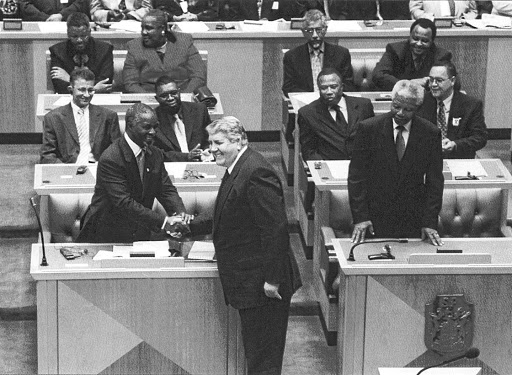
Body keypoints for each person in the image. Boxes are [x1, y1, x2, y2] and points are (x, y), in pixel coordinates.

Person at [208, 116, 302, 375]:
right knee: (257, 355)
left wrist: (272, 281)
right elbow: (228, 213)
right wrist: (189, 224)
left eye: (218, 142)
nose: (212, 148)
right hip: (251, 280)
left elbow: (275, 230)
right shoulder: (238, 167)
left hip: (265, 285)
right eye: (211, 143)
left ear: (237, 141)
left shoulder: (256, 171)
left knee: (264, 361)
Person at [77, 103, 194, 243]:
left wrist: (180, 213)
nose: (153, 132)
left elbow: (166, 189)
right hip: (105, 233)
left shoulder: (154, 153)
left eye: (155, 127)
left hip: (139, 231)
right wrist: (164, 221)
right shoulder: (111, 158)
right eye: (146, 127)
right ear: (130, 125)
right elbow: (124, 203)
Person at [348, 80, 444, 246]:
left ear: (417, 108)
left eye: (408, 109)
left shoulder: (430, 133)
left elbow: (434, 181)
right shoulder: (368, 129)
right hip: (374, 216)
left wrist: (429, 221)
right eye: (396, 106)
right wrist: (361, 217)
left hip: (412, 217)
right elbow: (356, 176)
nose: (400, 113)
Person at [40, 68, 121, 164]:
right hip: (67, 171)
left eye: (90, 90)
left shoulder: (109, 116)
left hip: (100, 170)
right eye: (82, 90)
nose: (86, 95)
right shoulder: (53, 118)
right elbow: (47, 155)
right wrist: (65, 171)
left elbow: (117, 152)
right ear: (70, 90)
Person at [298, 68, 375, 161]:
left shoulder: (364, 105)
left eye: (333, 87)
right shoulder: (308, 113)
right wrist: (325, 170)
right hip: (330, 168)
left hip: (362, 166)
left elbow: (373, 140)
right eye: (324, 88)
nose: (329, 92)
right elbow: (309, 151)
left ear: (342, 87)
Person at [123, 9, 206, 93]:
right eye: (142, 28)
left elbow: (198, 76)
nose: (143, 32)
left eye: (149, 28)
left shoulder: (184, 41)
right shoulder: (134, 46)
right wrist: (150, 99)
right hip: (149, 98)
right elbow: (130, 83)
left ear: (162, 28)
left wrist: (184, 97)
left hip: (181, 96)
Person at [416, 62, 487, 159]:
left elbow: (480, 137)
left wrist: (455, 144)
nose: (433, 84)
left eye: (439, 80)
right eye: (431, 80)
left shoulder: (471, 105)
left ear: (452, 81)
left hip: (458, 160)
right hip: (426, 159)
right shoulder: (421, 102)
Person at [283, 9, 355, 96]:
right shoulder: (292, 56)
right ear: (303, 32)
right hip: (305, 104)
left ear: (325, 30)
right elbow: (288, 88)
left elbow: (348, 85)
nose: (314, 35)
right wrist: (312, 99)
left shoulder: (341, 54)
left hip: (333, 102)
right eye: (309, 31)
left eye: (319, 30)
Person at [372, 18, 452, 91]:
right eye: (415, 39)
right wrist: (408, 84)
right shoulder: (395, 50)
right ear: (410, 36)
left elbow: (455, 82)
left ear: (432, 41)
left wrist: (431, 82)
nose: (419, 44)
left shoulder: (441, 55)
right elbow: (378, 75)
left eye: (424, 41)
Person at [49, 12, 113, 94]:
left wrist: (69, 79)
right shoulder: (57, 51)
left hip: (99, 98)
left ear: (89, 32)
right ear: (68, 34)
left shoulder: (105, 50)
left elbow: (106, 82)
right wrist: (94, 89)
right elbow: (60, 86)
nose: (79, 40)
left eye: (83, 36)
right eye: (75, 36)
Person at [153, 75, 210, 161]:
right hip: (170, 167)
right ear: (157, 98)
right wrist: (186, 157)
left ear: (179, 92)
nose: (170, 98)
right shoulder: (152, 119)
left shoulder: (199, 111)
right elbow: (155, 153)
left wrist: (207, 151)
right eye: (164, 95)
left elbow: (210, 139)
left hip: (201, 163)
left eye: (173, 93)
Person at [19, 0, 90, 21]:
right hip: (39, 26)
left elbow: (81, 2)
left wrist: (62, 15)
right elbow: (24, 4)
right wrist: (46, 18)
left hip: (72, 26)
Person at [410, 0, 478, 20]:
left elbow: (473, 11)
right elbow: (415, 9)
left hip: (459, 32)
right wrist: (430, 19)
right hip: (430, 30)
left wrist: (465, 19)